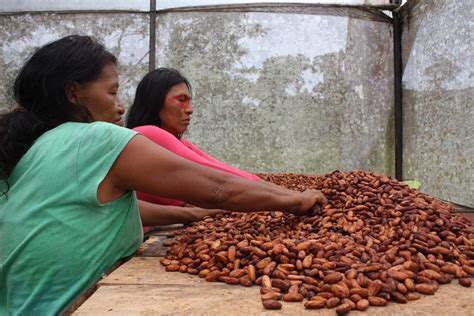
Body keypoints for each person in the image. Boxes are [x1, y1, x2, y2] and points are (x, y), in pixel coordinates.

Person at [0, 35, 327, 314]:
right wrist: (297, 201)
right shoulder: (95, 139)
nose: (119, 106)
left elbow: (86, 210)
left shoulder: (33, 147)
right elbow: (215, 186)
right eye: (112, 92)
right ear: (74, 93)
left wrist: (188, 215)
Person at [126, 68, 276, 219]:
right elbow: (219, 180)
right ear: (155, 101)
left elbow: (221, 170)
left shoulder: (183, 144)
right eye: (181, 100)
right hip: (136, 240)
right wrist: (288, 199)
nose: (189, 110)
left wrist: (277, 193)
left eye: (189, 101)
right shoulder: (147, 134)